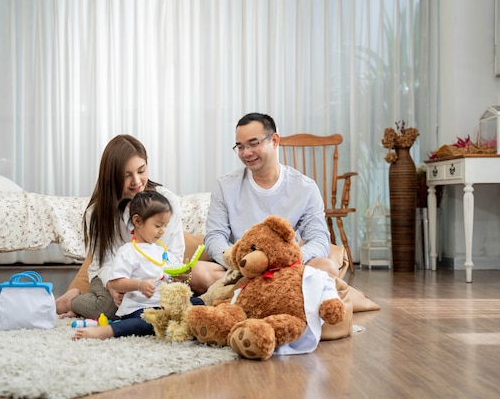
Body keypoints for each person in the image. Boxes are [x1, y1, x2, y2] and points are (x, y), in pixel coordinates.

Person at [56, 135, 186, 320]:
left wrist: (170, 280)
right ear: (112, 177)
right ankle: (71, 301)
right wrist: (113, 285)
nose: (137, 182)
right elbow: (104, 262)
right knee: (111, 309)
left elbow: (174, 252)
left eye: (141, 171)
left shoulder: (167, 202)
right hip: (113, 274)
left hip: (153, 276)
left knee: (170, 307)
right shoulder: (97, 213)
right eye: (126, 175)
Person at [204, 112, 340, 277]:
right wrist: (241, 262)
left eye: (253, 144)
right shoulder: (225, 186)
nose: (246, 153)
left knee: (327, 268)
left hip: (286, 268)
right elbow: (214, 236)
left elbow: (319, 239)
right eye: (240, 147)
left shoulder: (305, 188)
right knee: (198, 273)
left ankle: (251, 295)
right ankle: (261, 292)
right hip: (240, 269)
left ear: (274, 140)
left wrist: (285, 260)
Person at [72, 190, 204, 340]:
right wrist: (139, 285)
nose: (162, 231)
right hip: (138, 308)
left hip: (162, 305)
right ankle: (108, 331)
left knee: (198, 303)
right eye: (158, 225)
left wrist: (181, 275)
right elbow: (116, 283)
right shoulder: (128, 252)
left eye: (165, 226)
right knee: (147, 323)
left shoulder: (160, 250)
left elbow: (170, 276)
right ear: (138, 221)